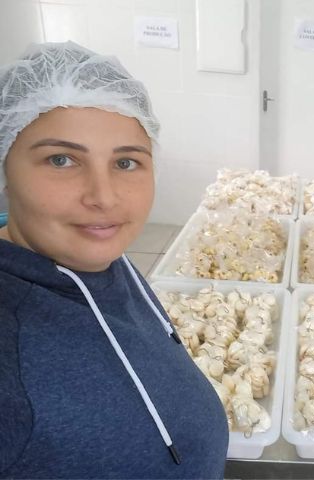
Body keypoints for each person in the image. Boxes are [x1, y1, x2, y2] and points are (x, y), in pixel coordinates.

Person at [0, 42, 228, 478]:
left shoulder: (95, 257)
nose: (103, 198)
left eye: (126, 162)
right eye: (61, 160)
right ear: (5, 167)